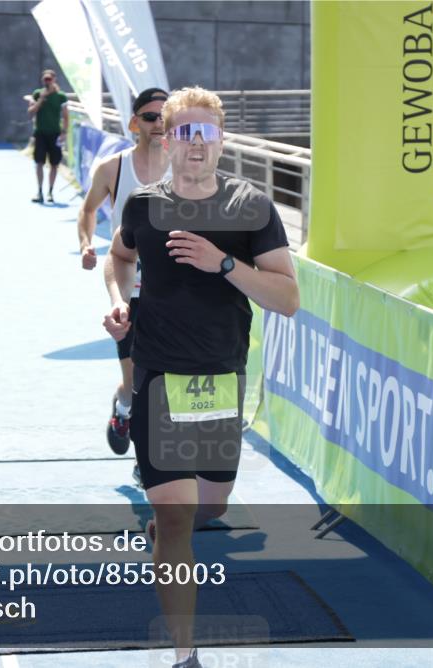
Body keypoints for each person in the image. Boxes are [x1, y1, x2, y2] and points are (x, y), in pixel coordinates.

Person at [103, 87, 299, 668]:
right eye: (182, 132)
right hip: (158, 376)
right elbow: (119, 257)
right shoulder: (143, 205)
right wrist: (120, 305)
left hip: (219, 379)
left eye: (204, 133)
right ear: (166, 136)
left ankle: (168, 537)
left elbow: (287, 299)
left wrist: (224, 264)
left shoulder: (252, 208)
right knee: (174, 513)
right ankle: (185, 654)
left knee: (210, 505)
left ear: (221, 139)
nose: (193, 144)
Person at [80, 88, 170, 465]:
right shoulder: (113, 168)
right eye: (150, 117)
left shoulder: (184, 167)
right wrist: (87, 244)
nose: (159, 124)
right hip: (128, 285)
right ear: (135, 124)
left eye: (165, 116)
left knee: (163, 382)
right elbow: (87, 212)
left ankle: (147, 464)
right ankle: (123, 408)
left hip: (172, 291)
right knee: (136, 383)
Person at [27, 69, 68, 204]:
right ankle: (39, 191)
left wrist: (64, 132)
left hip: (54, 134)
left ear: (54, 79)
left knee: (54, 164)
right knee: (39, 163)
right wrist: (41, 99)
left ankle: (50, 191)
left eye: (50, 79)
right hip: (40, 133)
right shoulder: (37, 93)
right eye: (45, 79)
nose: (47, 81)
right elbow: (31, 112)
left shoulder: (61, 96)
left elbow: (66, 116)